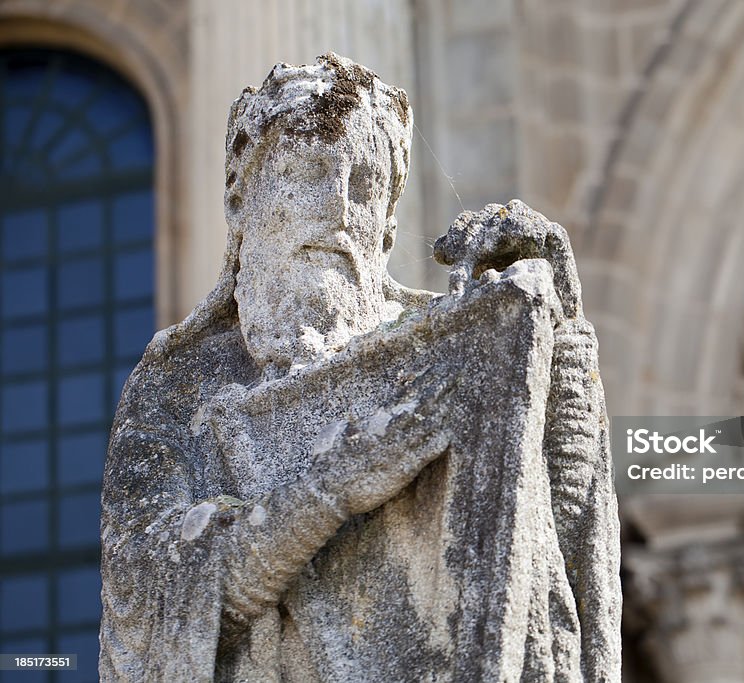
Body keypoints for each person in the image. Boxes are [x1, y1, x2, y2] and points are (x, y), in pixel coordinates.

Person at [99, 54, 619, 681]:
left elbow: (554, 557)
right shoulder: (178, 387)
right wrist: (332, 486)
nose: (341, 208)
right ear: (242, 197)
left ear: (389, 224)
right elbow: (147, 599)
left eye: (365, 182)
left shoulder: (449, 355)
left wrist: (555, 344)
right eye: (311, 169)